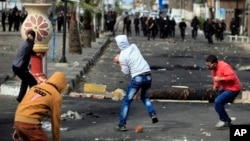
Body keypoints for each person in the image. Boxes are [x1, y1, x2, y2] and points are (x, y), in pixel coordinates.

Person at [113, 35, 158, 131]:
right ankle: (152, 114)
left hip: (138, 78)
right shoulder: (134, 46)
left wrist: (118, 62)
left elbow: (126, 72)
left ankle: (122, 125)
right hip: (148, 75)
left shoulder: (122, 57)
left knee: (127, 101)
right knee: (145, 97)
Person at [12, 71, 68, 141]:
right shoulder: (56, 96)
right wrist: (56, 139)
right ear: (62, 85)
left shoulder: (36, 87)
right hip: (30, 124)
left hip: (18, 120)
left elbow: (24, 104)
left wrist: (18, 128)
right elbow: (56, 120)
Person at [205, 55, 241, 129]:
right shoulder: (213, 69)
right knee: (216, 103)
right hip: (225, 88)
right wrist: (216, 86)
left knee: (218, 101)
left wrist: (220, 78)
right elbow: (216, 79)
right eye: (206, 65)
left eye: (209, 65)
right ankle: (227, 120)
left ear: (214, 63)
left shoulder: (224, 66)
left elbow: (232, 77)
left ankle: (223, 120)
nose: (208, 67)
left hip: (234, 88)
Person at [12, 30, 40, 102]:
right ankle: (32, 98)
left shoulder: (25, 42)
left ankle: (20, 98)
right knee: (33, 82)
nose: (30, 36)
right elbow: (27, 53)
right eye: (30, 35)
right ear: (33, 37)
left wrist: (35, 54)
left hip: (15, 66)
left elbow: (29, 51)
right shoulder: (30, 43)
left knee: (25, 81)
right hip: (20, 67)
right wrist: (25, 68)